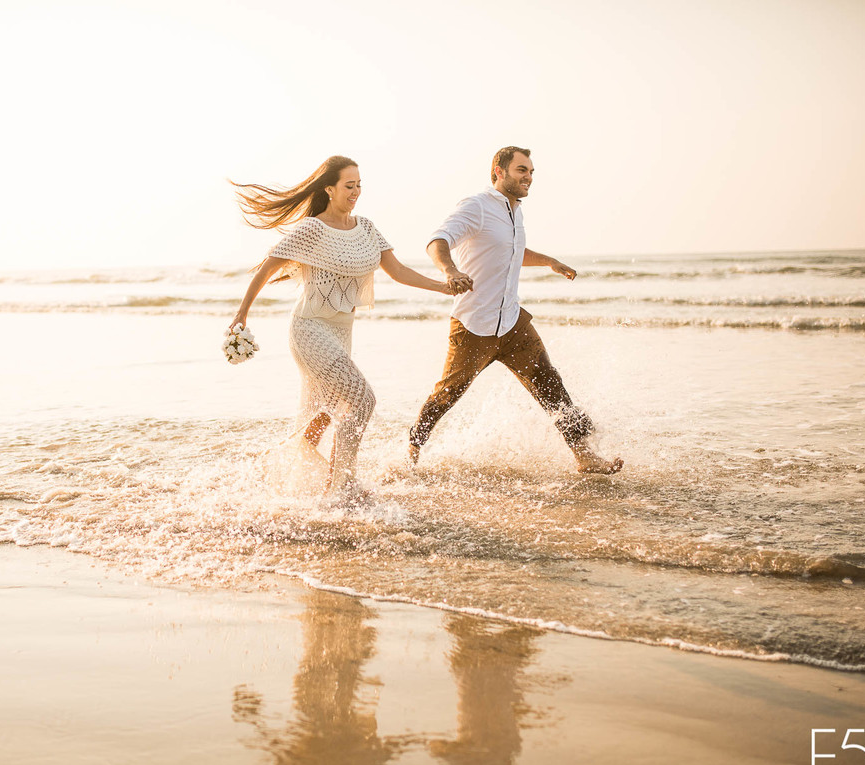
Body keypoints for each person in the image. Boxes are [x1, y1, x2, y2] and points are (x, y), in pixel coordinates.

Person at [229, 155, 464, 503]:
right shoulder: (312, 229)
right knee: (362, 399)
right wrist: (241, 315)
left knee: (323, 415)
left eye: (359, 185)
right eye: (348, 185)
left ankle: (278, 470)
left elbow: (398, 272)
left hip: (341, 333)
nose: (355, 192)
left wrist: (444, 286)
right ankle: (340, 487)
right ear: (329, 188)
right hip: (309, 330)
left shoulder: (367, 228)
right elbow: (266, 268)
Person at [408, 146, 622, 474]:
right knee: (447, 395)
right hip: (474, 325)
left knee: (550, 385)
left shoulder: (515, 211)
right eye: (522, 170)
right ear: (499, 171)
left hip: (512, 323)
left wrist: (549, 261)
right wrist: (449, 271)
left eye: (532, 172)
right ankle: (410, 451)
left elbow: (512, 251)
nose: (529, 178)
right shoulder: (476, 206)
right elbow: (438, 240)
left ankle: (585, 456)